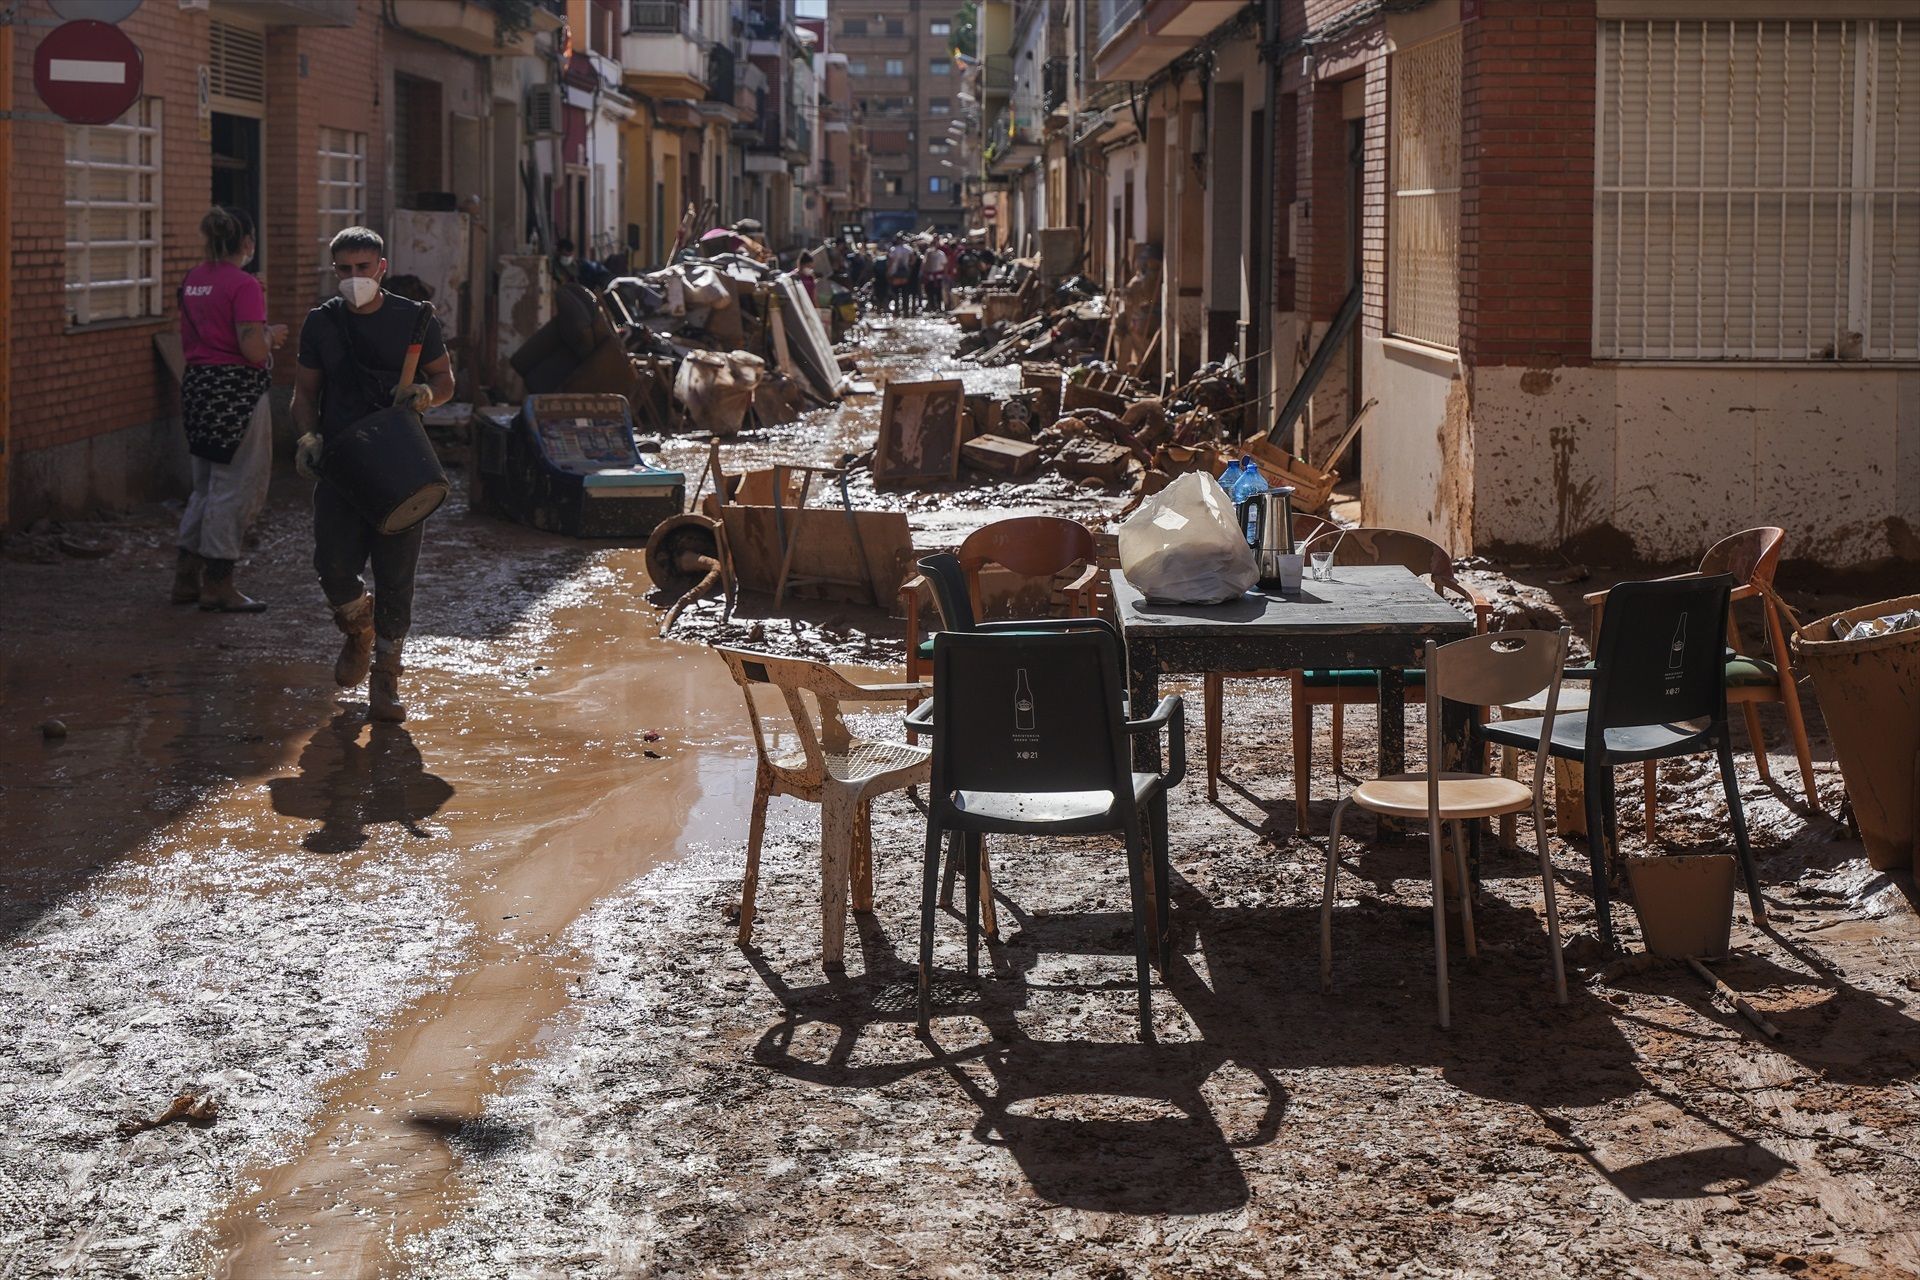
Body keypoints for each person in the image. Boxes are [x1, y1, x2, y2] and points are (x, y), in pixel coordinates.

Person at [292, 227, 455, 723]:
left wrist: (427, 397)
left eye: (364, 268)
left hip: (401, 462)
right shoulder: (321, 324)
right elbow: (304, 394)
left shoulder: (413, 321)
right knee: (333, 566)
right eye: (345, 269)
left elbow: (445, 380)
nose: (354, 278)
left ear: (381, 268)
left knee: (396, 576)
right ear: (333, 269)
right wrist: (307, 436)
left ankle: (386, 678)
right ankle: (357, 629)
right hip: (342, 463)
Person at [173, 206, 287, 611]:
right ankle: (218, 583)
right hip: (236, 390)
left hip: (199, 387)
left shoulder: (192, 280)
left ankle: (185, 576)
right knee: (234, 488)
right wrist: (271, 335)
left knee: (205, 485)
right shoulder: (244, 285)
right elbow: (251, 346)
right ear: (247, 243)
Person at [886, 234, 915, 316]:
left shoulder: (893, 249)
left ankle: (897, 311)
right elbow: (912, 260)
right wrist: (909, 267)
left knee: (896, 294)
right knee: (905, 294)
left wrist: (888, 272)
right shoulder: (908, 249)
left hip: (895, 274)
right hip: (905, 273)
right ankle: (906, 312)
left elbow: (890, 262)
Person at [921, 238, 950, 313]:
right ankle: (932, 307)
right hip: (929, 276)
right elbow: (924, 264)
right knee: (930, 293)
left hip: (938, 277)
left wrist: (945, 275)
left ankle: (939, 307)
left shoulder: (941, 254)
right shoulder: (928, 253)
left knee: (938, 293)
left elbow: (945, 265)